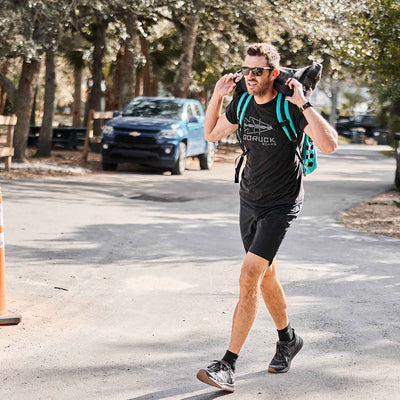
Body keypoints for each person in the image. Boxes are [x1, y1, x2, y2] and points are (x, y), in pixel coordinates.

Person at [196, 43, 338, 392]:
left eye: (257, 71)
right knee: (266, 274)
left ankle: (227, 365)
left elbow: (329, 144)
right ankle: (288, 339)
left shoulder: (289, 106)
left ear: (274, 73)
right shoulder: (242, 102)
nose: (250, 76)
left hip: (281, 203)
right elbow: (211, 134)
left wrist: (303, 101)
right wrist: (217, 96)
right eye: (247, 70)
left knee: (248, 275)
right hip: (249, 199)